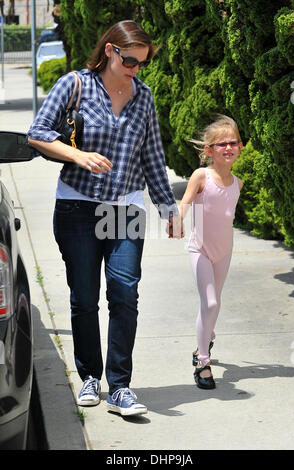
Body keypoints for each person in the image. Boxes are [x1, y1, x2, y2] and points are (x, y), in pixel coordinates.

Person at [27, 20, 179, 416]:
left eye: (142, 64)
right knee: (84, 296)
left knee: (125, 291)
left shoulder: (142, 97)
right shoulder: (75, 85)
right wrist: (78, 155)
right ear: (110, 50)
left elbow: (151, 156)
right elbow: (37, 133)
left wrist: (168, 207)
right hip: (78, 205)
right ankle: (90, 376)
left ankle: (121, 385)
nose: (135, 69)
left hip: (125, 207)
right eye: (130, 60)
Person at [175, 115, 243, 389]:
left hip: (224, 252)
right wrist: (177, 219)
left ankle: (206, 335)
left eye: (234, 142)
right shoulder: (202, 176)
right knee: (210, 303)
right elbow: (185, 202)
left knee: (214, 304)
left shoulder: (237, 183)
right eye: (222, 143)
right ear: (209, 150)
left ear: (240, 147)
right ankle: (203, 362)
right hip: (200, 249)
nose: (229, 147)